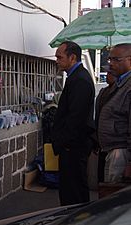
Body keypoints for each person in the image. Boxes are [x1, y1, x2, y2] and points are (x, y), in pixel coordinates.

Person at [51, 41, 95, 206]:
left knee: (74, 192)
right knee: (71, 189)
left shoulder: (80, 80)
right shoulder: (75, 77)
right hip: (72, 145)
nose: (57, 60)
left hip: (74, 146)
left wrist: (65, 141)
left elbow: (76, 117)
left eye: (59, 57)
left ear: (72, 57)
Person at [97, 43, 131, 183]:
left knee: (116, 198)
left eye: (115, 60)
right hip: (112, 150)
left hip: (121, 152)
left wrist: (130, 162)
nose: (110, 64)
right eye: (109, 59)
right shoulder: (120, 83)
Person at [94, 69, 116, 182]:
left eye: (110, 73)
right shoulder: (103, 92)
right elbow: (98, 115)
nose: (107, 76)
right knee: (101, 175)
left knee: (111, 178)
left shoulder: (120, 91)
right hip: (101, 139)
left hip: (114, 141)